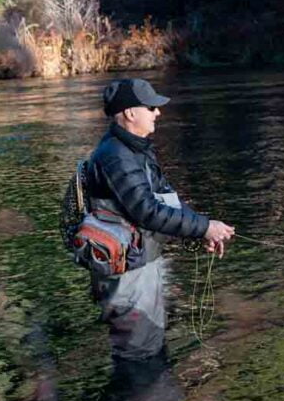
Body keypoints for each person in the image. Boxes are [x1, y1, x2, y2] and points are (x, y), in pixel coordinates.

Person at [83, 77, 235, 361]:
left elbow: (168, 200)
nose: (158, 113)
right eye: (150, 107)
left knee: (150, 351)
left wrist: (204, 230)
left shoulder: (136, 151)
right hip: (126, 277)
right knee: (139, 360)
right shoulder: (116, 156)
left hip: (140, 267)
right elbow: (147, 212)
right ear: (129, 113)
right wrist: (203, 228)